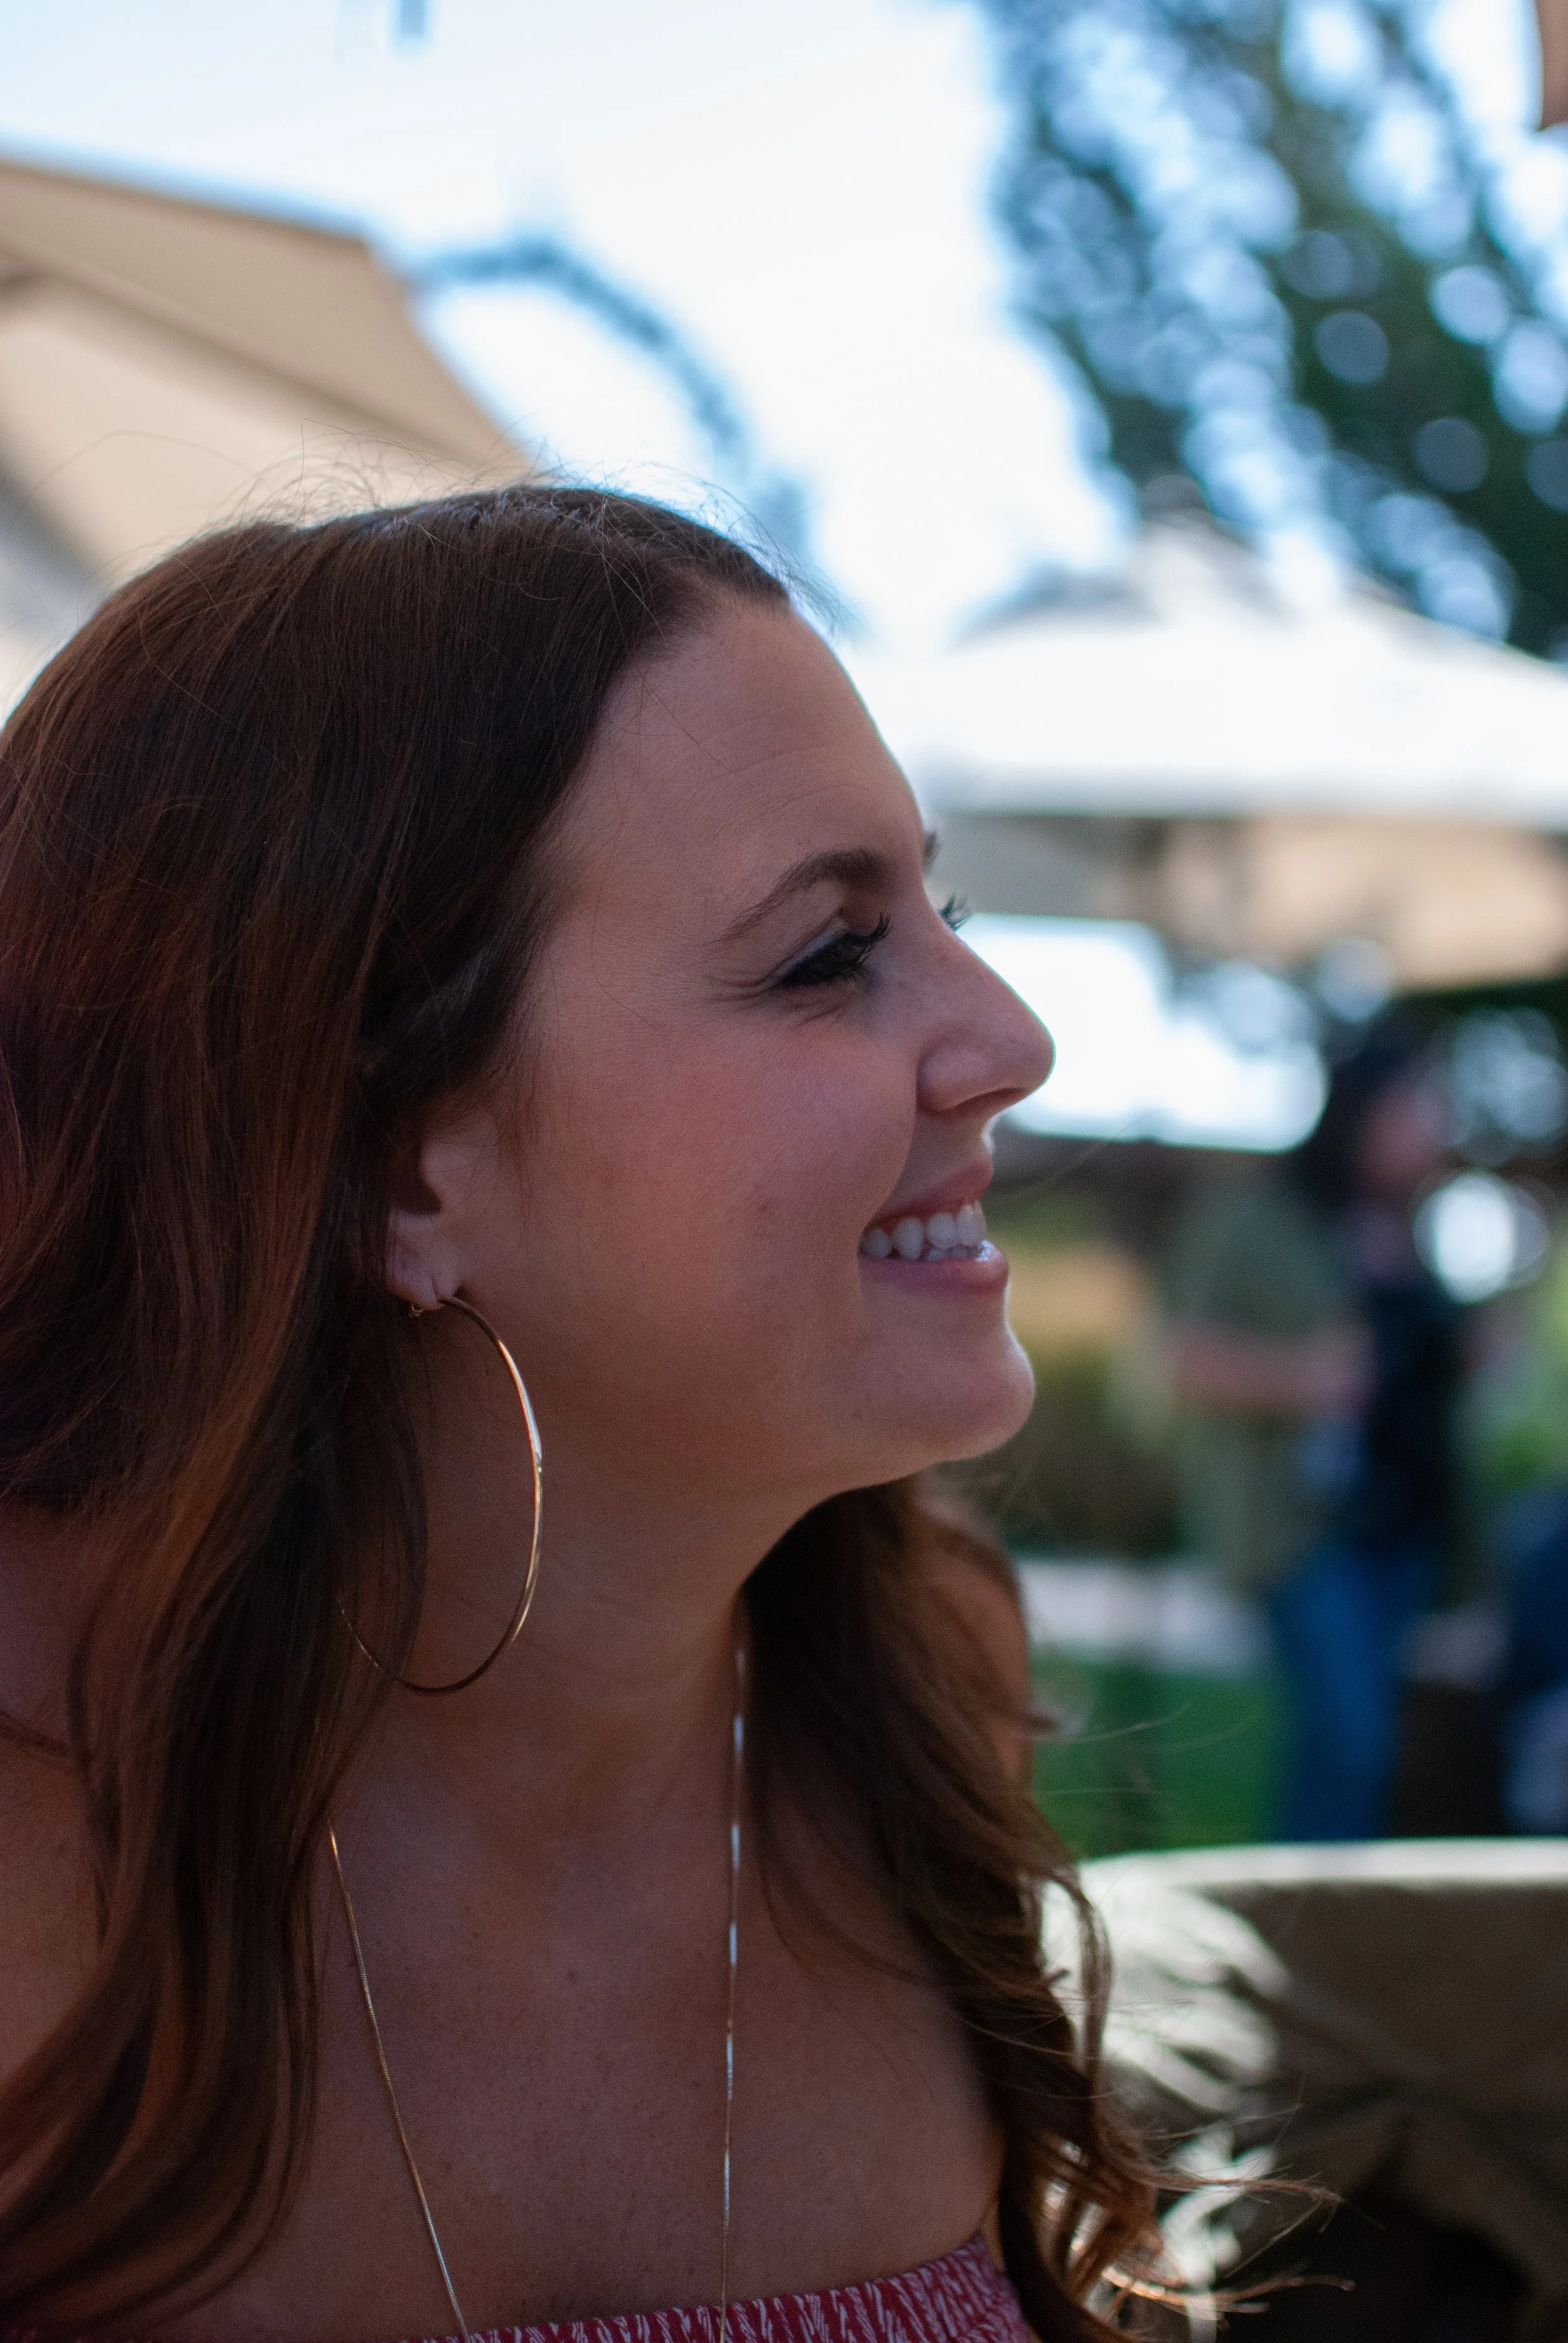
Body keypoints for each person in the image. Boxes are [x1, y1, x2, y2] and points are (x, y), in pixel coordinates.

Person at [0, 488, 1160, 2338]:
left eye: (934, 902)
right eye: (823, 952)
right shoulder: (43, 1864)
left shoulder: (926, 1691)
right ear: (390, 1162)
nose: (1010, 1031)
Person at [1165, 1024, 1465, 1841]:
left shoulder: (1412, 1232)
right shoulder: (1262, 1219)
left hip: (1401, 1530)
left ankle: (1340, 1911)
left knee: (1366, 1740)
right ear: (1362, 1113)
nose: (1432, 1126)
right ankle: (1307, 1920)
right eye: (1414, 1108)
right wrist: (1306, 1378)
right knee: (1351, 1736)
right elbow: (1180, 1357)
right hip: (1302, 1529)